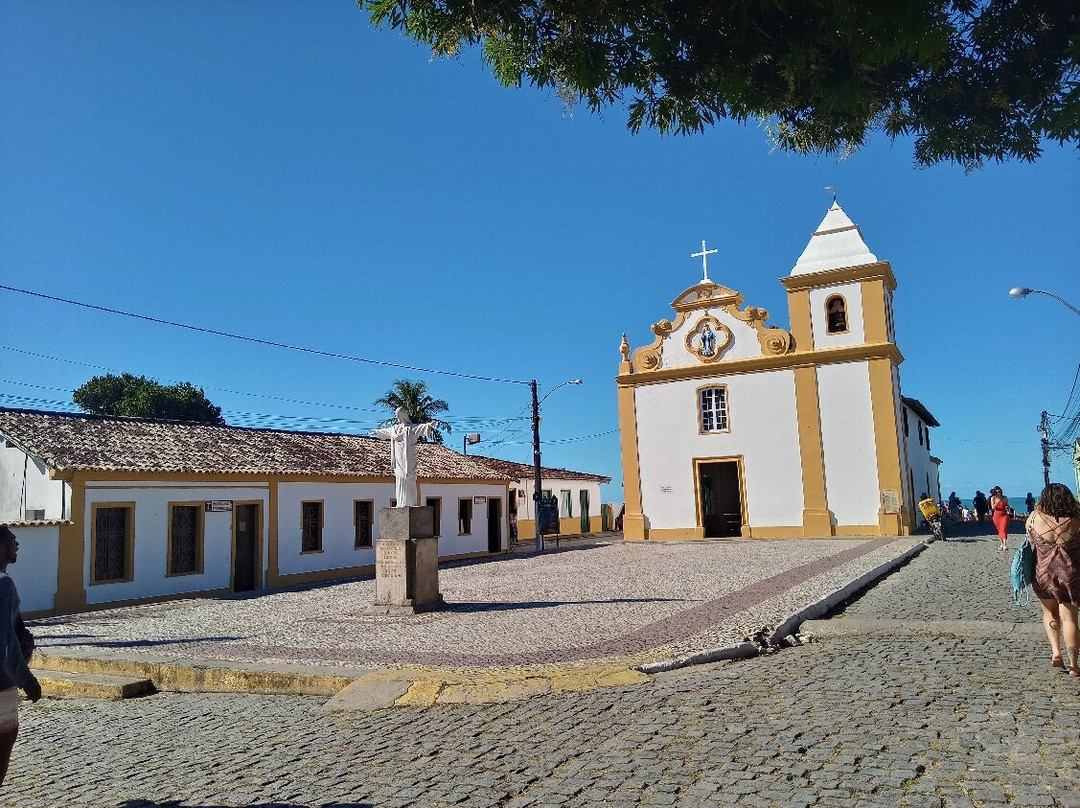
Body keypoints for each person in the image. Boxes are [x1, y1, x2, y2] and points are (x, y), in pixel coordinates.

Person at [0, 525, 42, 787]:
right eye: (11, 539)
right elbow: (6, 643)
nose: (17, 543)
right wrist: (28, 682)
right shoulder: (4, 584)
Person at [1025, 484, 1080, 677]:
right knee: (1070, 619)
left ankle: (1056, 652)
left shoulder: (1033, 518)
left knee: (1049, 612)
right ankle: (1074, 665)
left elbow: (1029, 538)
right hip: (1071, 575)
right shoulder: (1077, 520)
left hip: (1043, 575)